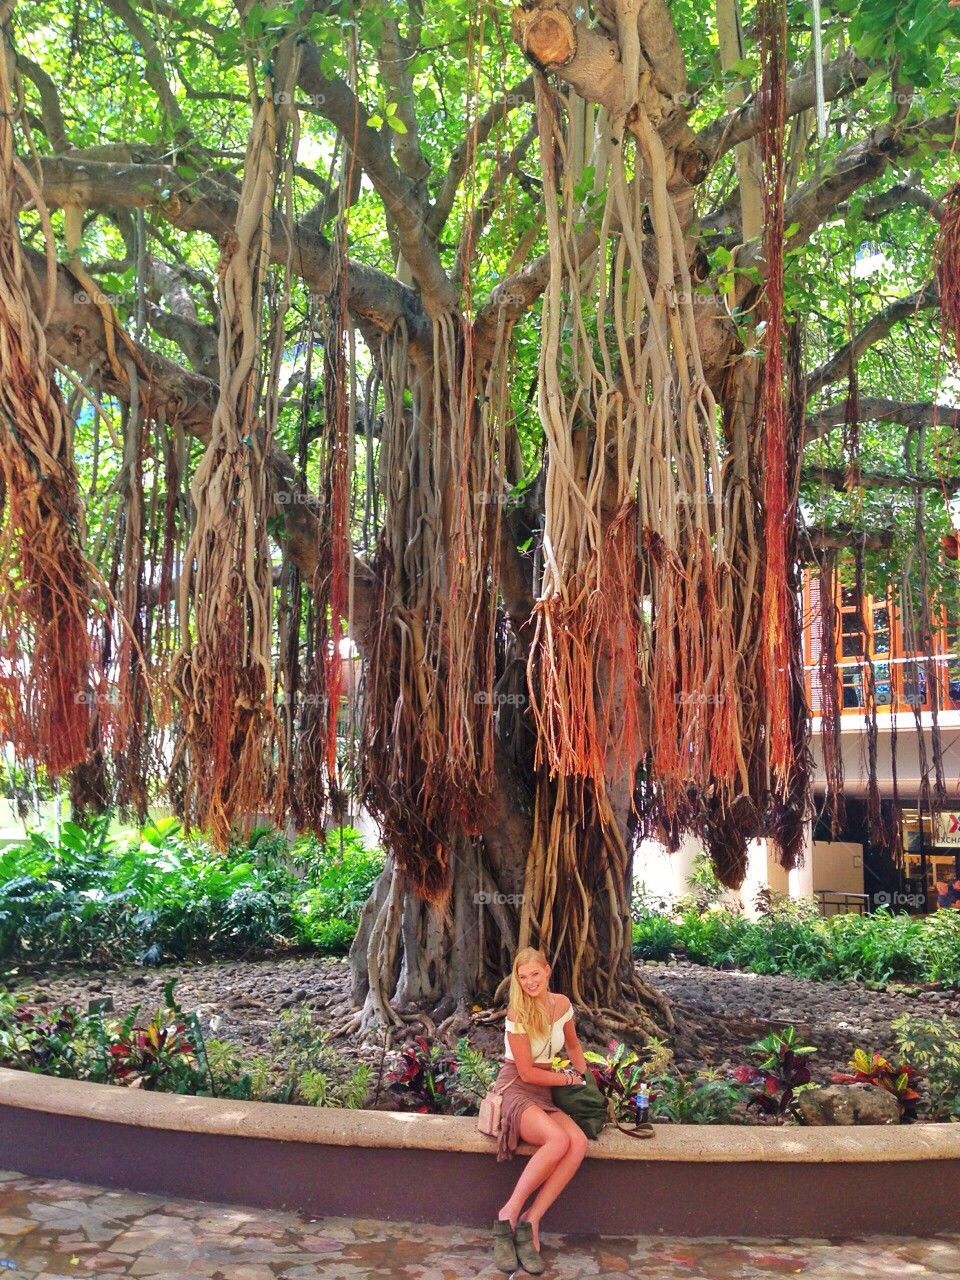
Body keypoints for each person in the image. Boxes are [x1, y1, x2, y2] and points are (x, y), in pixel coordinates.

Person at [489, 946, 590, 1275]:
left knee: (578, 1144)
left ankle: (531, 1221)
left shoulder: (561, 1005)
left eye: (535, 974)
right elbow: (528, 1073)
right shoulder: (517, 1013)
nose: (530, 982)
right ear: (517, 980)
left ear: (547, 970)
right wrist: (568, 1078)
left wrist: (585, 1080)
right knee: (557, 1141)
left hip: (545, 1091)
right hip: (517, 1089)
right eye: (523, 976)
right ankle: (509, 1213)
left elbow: (573, 1045)